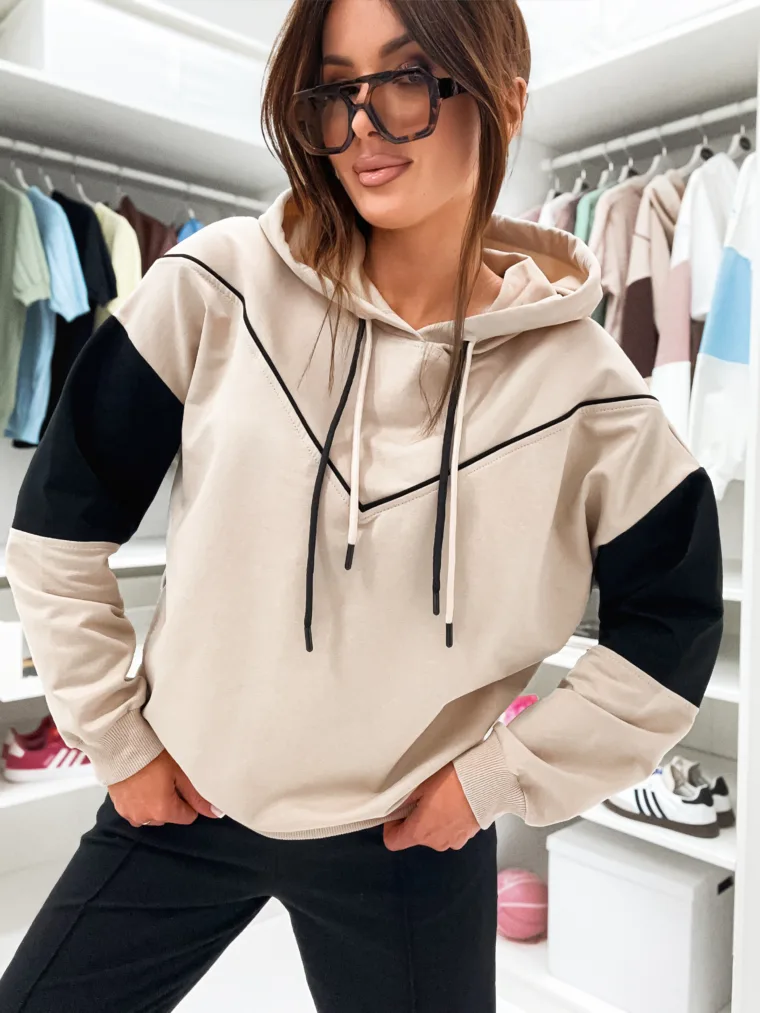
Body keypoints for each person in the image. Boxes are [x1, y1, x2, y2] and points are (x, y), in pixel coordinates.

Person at [0, 0, 723, 1010]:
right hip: (184, 800)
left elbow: (670, 633)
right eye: (336, 89)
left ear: (507, 97)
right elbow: (57, 523)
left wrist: (494, 779)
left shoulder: (593, 395)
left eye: (407, 78)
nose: (363, 125)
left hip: (407, 838)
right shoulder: (216, 285)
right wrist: (116, 736)